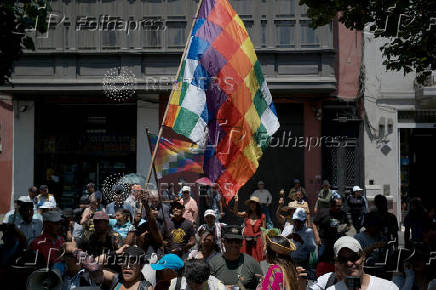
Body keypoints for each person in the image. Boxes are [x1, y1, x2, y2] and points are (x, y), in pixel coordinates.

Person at [309, 236, 398, 290]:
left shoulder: (387, 287)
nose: (349, 263)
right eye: (343, 259)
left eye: (354, 257)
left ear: (363, 256)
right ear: (337, 262)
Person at [208, 225, 263, 289]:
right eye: (230, 241)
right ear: (223, 241)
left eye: (237, 241)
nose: (234, 245)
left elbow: (262, 284)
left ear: (241, 243)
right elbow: (207, 285)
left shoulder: (252, 263)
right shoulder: (213, 263)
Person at [232, 195, 266, 262]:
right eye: (251, 203)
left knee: (257, 261)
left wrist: (264, 244)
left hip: (257, 242)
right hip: (246, 242)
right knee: (245, 260)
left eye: (254, 203)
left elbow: (263, 231)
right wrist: (236, 202)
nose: (252, 205)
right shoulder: (246, 214)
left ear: (257, 205)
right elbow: (236, 213)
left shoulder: (262, 216)